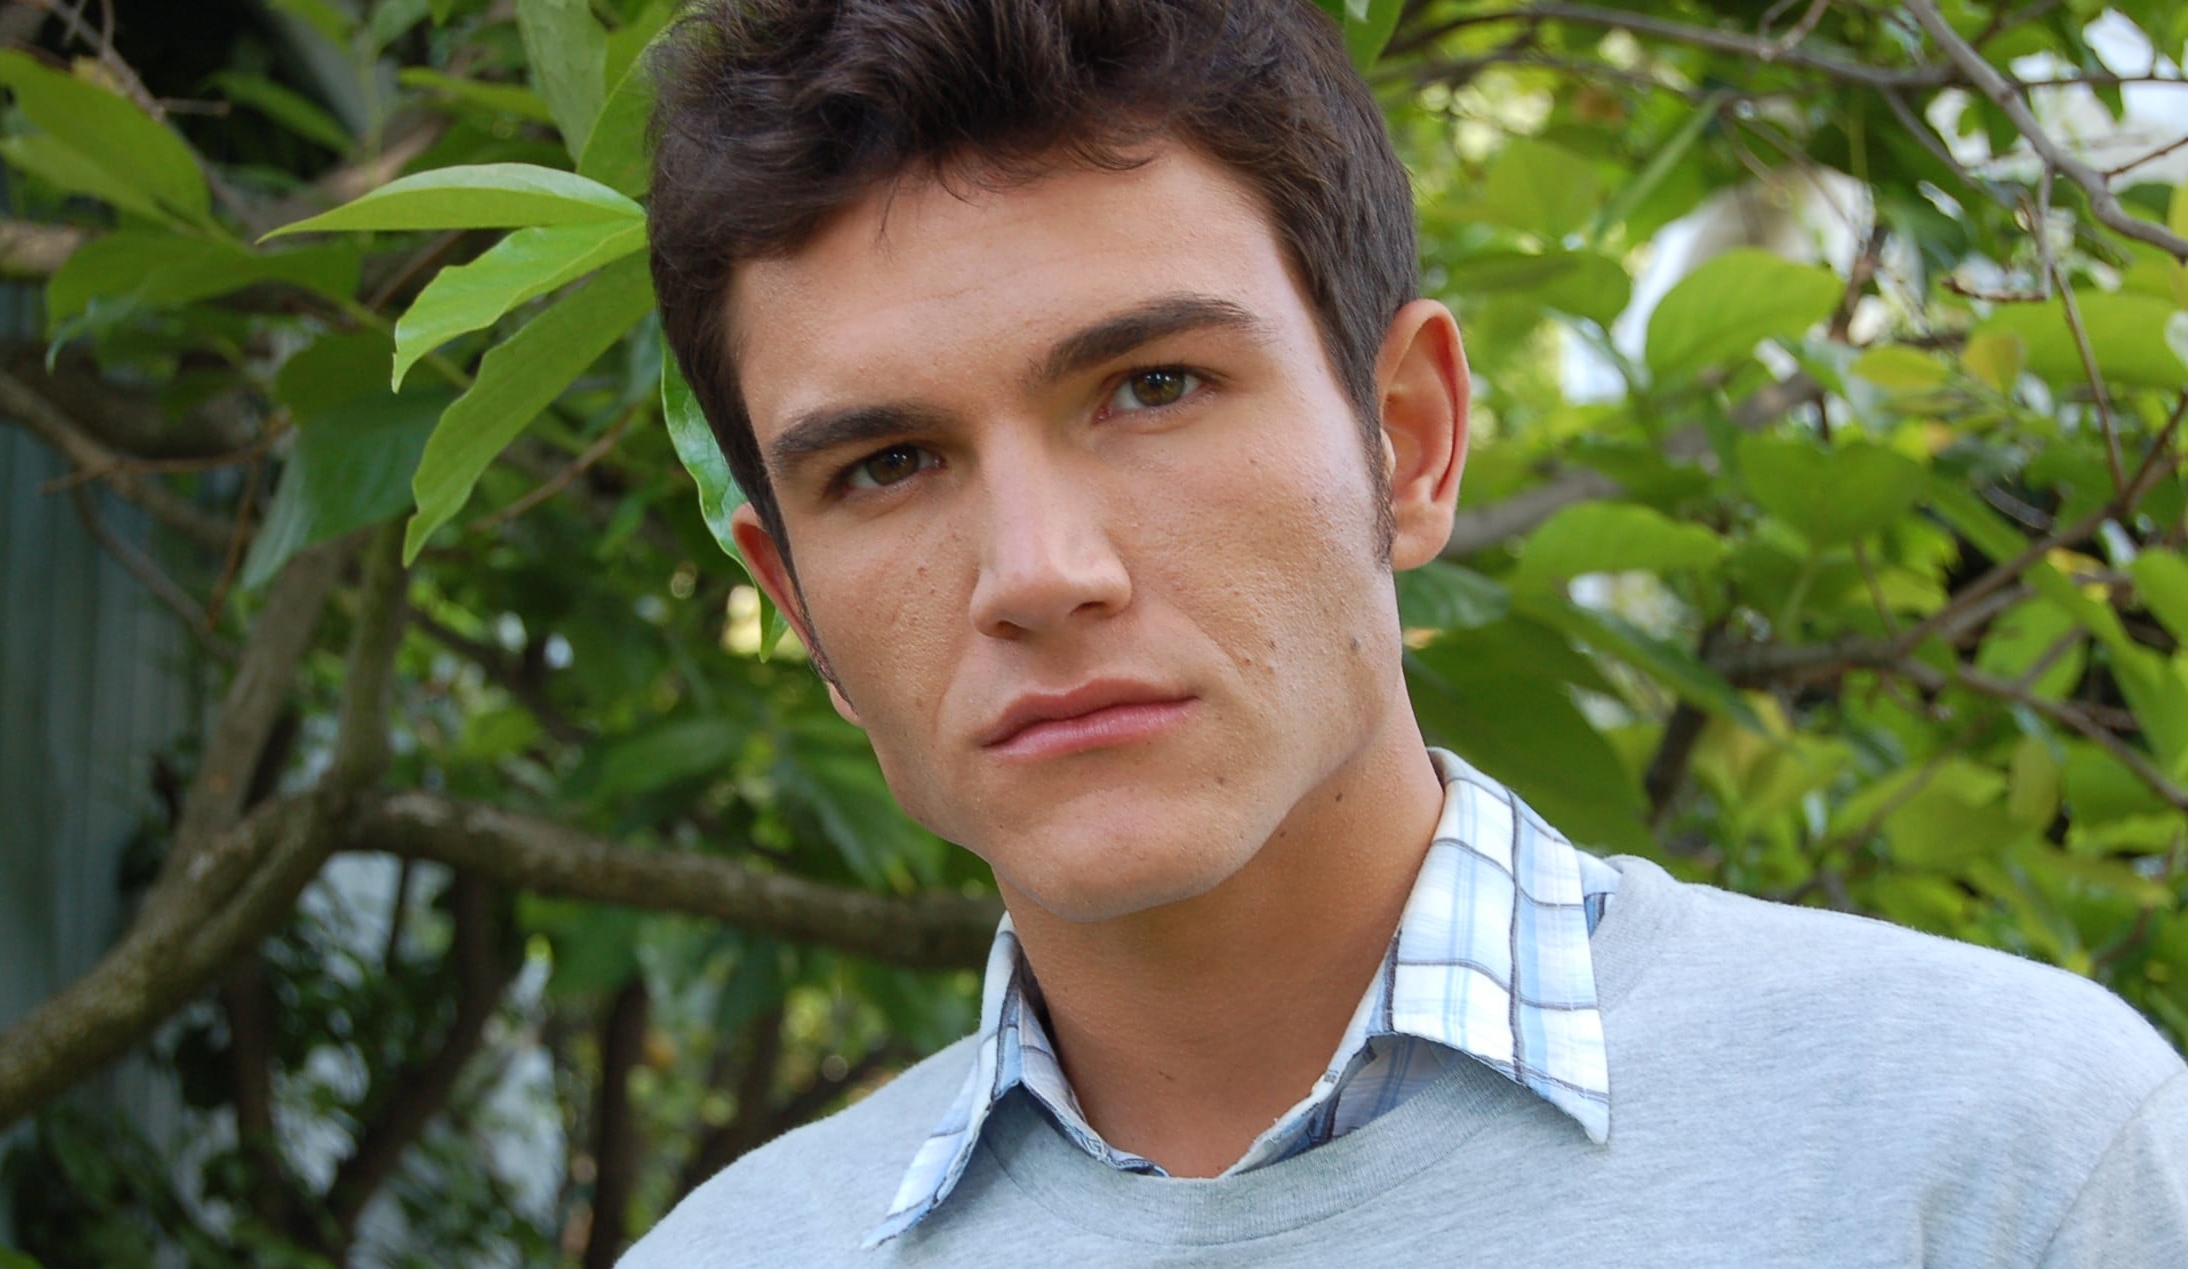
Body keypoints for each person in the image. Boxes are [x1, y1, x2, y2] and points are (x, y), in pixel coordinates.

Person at [619, 0, 2188, 1263]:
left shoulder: (1997, 1157)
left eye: (1153, 387)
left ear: (1411, 442)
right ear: (798, 605)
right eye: (887, 464)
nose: (1039, 571)